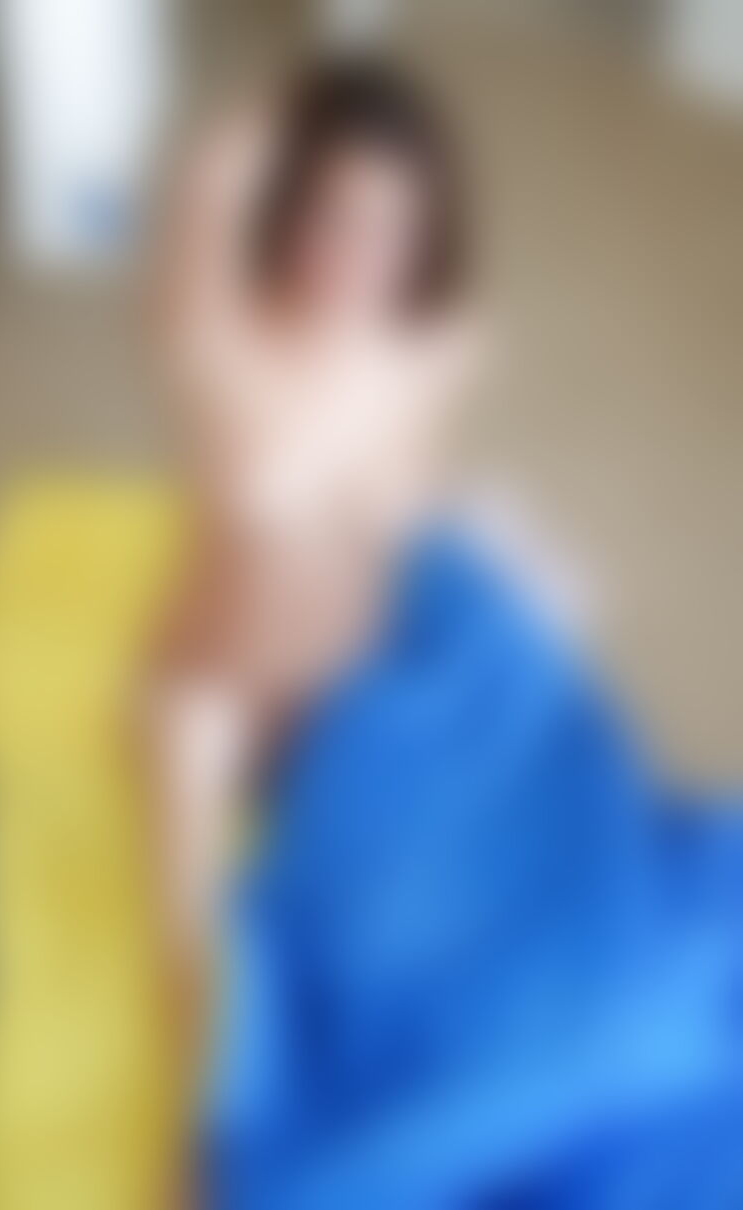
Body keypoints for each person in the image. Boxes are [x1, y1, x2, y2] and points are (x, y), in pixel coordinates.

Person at [149, 59, 743, 1209]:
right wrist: (290, 110)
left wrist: (498, 558)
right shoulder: (227, 357)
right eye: (328, 217)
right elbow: (201, 214)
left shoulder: (434, 347)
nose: (351, 259)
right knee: (525, 1017)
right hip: (320, 728)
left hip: (438, 657)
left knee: (629, 931)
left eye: (388, 231)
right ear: (283, 211)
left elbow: (421, 499)